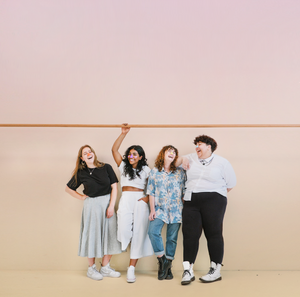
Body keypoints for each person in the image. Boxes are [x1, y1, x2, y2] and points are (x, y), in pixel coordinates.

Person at [177, 135, 236, 285]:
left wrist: (214, 195)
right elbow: (172, 162)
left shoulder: (222, 162)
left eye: (200, 144)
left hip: (214, 200)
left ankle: (215, 270)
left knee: (214, 233)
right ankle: (187, 270)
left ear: (209, 146)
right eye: (196, 144)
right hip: (191, 200)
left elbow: (230, 183)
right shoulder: (189, 158)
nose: (197, 146)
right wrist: (182, 158)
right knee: (190, 234)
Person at [65, 145, 122, 281]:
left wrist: (111, 205)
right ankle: (91, 269)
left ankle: (105, 267)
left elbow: (114, 187)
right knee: (92, 236)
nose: (89, 153)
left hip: (107, 203)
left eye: (90, 151)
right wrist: (81, 197)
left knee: (111, 234)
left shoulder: (106, 167)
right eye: (85, 153)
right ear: (82, 158)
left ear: (93, 153)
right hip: (91, 206)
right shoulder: (81, 172)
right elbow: (68, 189)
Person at [112, 126, 153, 283]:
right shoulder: (123, 167)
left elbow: (154, 188)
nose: (131, 156)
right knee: (123, 229)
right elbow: (114, 150)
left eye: (134, 154)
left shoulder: (147, 170)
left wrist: (147, 198)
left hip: (140, 200)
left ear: (141, 157)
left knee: (139, 233)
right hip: (126, 198)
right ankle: (125, 246)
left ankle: (131, 269)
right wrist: (123, 134)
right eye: (129, 154)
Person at [147, 145, 186, 280]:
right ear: (162, 154)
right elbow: (151, 191)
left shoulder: (180, 172)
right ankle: (162, 261)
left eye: (174, 152)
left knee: (172, 239)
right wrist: (152, 210)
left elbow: (184, 192)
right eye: (169, 151)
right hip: (160, 209)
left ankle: (168, 266)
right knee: (153, 231)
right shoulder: (154, 171)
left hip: (176, 210)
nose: (172, 153)